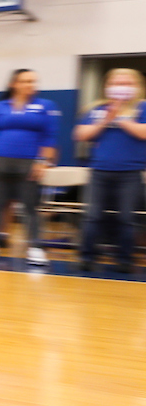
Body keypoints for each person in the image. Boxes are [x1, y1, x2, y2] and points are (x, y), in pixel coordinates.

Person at [0, 69, 60, 265]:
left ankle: (35, 247)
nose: (31, 85)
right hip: (0, 162)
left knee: (30, 206)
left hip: (29, 164)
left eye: (33, 81)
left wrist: (43, 162)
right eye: (26, 81)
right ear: (14, 84)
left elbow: (50, 137)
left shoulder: (45, 106)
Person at [75, 68, 146, 273]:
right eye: (117, 83)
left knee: (126, 218)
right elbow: (81, 134)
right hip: (99, 172)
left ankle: (124, 259)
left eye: (126, 83)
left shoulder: (142, 107)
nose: (121, 87)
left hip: (130, 173)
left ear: (136, 87)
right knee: (93, 216)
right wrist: (105, 120)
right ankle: (87, 256)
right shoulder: (96, 109)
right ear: (107, 86)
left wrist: (122, 118)